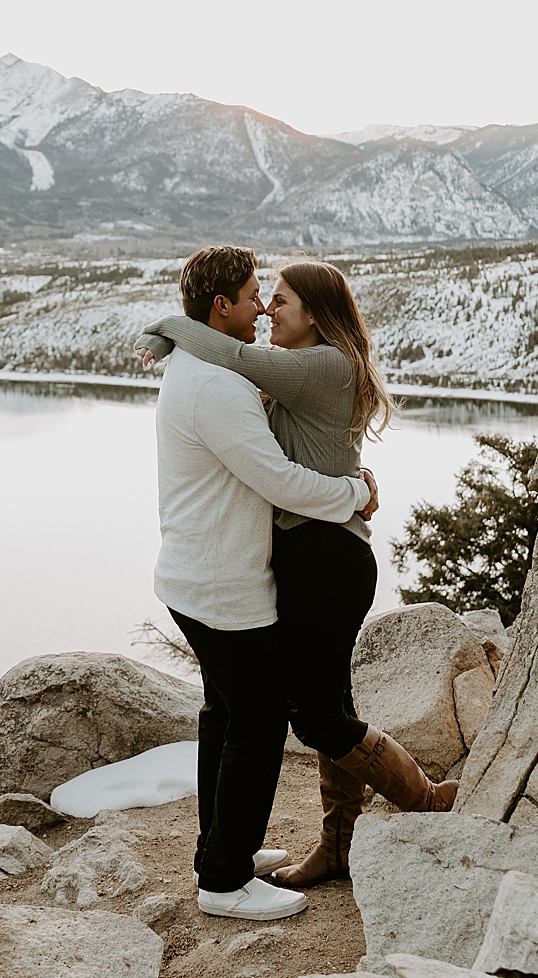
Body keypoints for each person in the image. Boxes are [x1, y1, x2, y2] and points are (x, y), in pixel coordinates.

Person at [137, 257, 456, 892]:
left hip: (328, 559)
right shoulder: (299, 373)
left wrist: (166, 330)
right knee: (325, 701)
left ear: (313, 312)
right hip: (304, 556)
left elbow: (232, 356)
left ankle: (421, 799)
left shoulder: (325, 365)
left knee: (314, 716)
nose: (267, 310)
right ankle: (338, 842)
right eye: (262, 298)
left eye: (278, 300)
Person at [149, 244, 380, 922]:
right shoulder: (217, 385)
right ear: (221, 306)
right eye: (255, 295)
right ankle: (224, 881)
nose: (260, 307)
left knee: (224, 715)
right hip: (223, 583)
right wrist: (353, 492)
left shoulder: (199, 365)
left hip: (200, 572)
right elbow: (278, 479)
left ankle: (220, 850)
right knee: (255, 722)